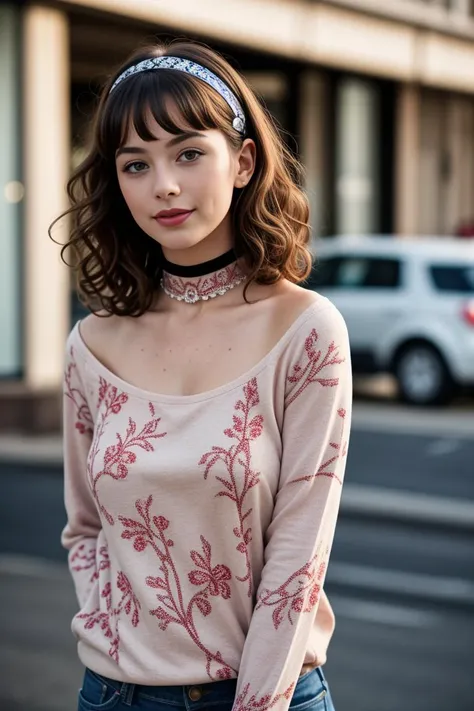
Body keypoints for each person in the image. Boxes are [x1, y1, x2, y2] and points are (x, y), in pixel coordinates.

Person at [54, 39, 352, 711]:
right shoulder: (91, 345)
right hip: (115, 694)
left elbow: (299, 556)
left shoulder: (305, 329)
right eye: (136, 163)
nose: (163, 183)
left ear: (243, 161)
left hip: (264, 696)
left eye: (188, 153)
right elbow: (84, 528)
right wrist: (115, 637)